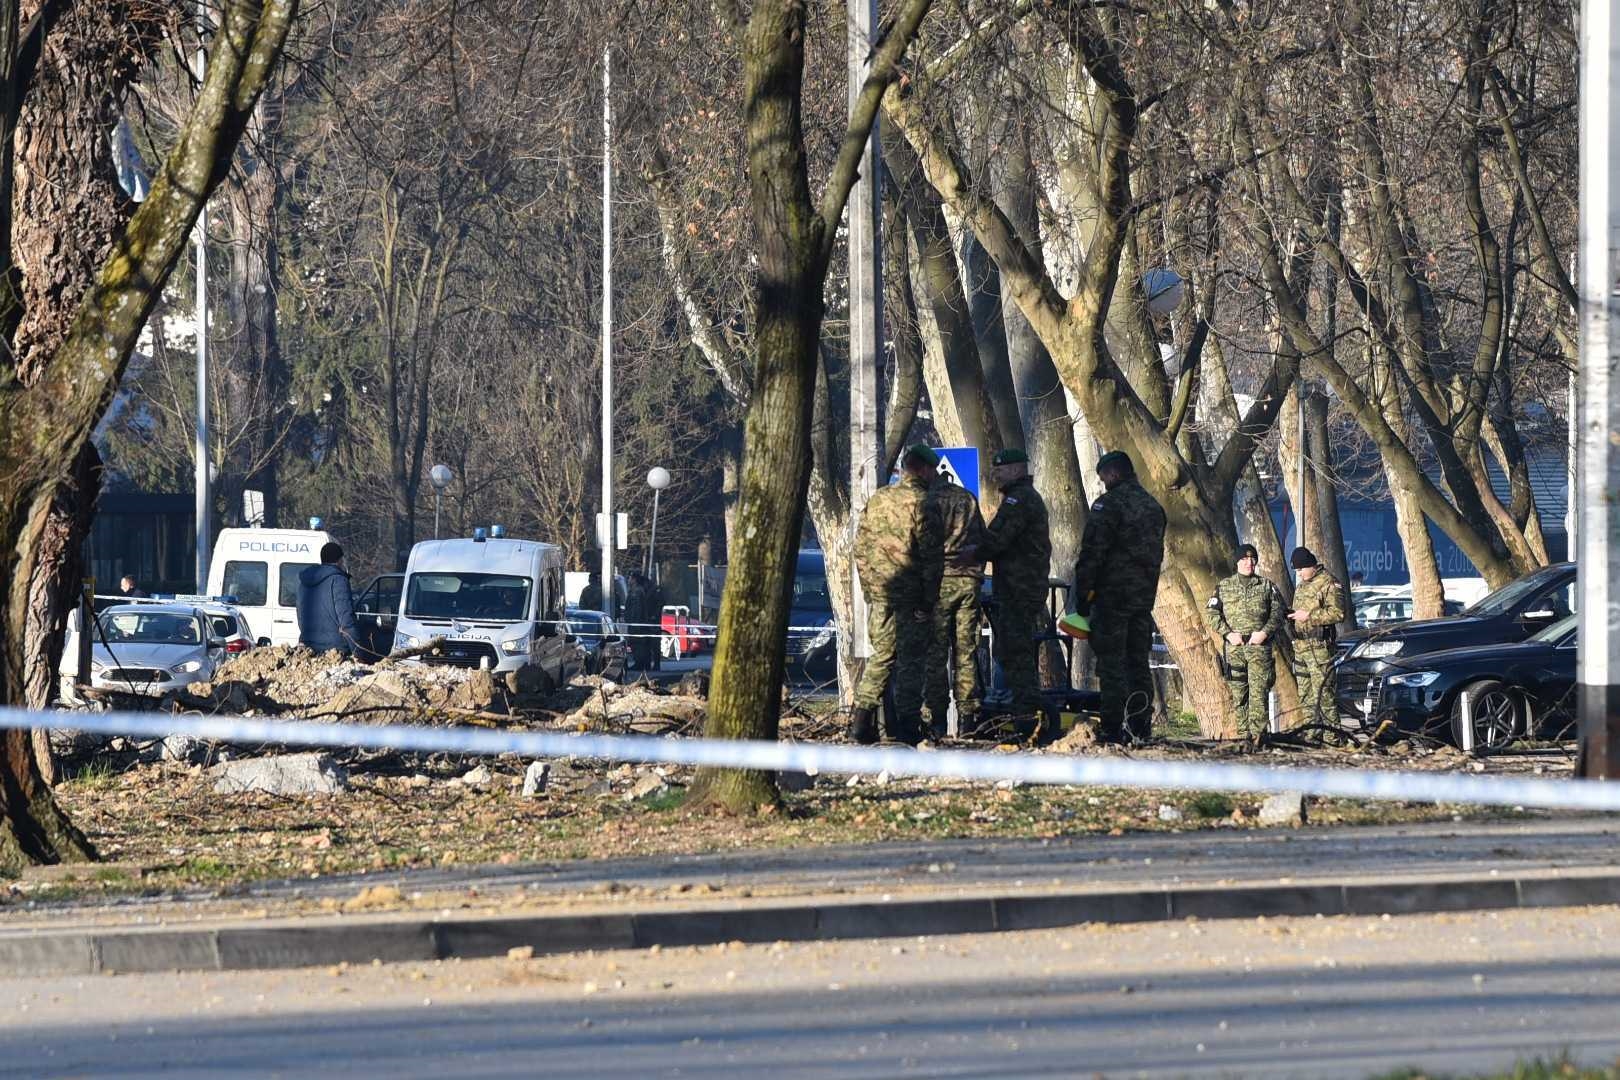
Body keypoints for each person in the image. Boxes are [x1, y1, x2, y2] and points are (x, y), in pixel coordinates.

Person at [850, 444, 945, 745]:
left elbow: (860, 549)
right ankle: (907, 728)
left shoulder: (878, 499)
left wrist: (870, 589)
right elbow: (932, 558)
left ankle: (861, 719)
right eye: (932, 471)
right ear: (924, 469)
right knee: (911, 663)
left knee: (882, 657)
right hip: (911, 598)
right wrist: (929, 602)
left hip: (881, 595)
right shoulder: (924, 502)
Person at [1072, 450, 1166, 743]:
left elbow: (1092, 555)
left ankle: (1112, 728)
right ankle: (1140, 727)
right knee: (1138, 664)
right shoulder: (1154, 507)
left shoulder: (1108, 506)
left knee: (1112, 666)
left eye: (1103, 479)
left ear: (1112, 474)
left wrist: (1082, 599)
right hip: (1142, 600)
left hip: (1111, 600)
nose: (1103, 484)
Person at [966, 447, 1052, 720]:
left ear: (1017, 468)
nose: (996, 474)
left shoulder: (1020, 500)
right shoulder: (1019, 498)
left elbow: (997, 540)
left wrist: (967, 552)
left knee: (1017, 651)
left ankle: (1026, 715)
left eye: (1000, 469)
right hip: (1016, 587)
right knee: (1009, 648)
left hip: (1020, 589)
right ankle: (1018, 707)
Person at [924, 461, 986, 739]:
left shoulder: (926, 500)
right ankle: (967, 720)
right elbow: (982, 541)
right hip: (968, 581)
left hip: (938, 583)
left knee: (936, 653)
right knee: (966, 650)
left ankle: (937, 719)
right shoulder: (966, 499)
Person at [1204, 543, 1285, 742]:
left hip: (1259, 648)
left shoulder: (1267, 586)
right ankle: (1243, 737)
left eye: (1252, 559)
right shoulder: (1224, 586)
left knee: (1259, 694)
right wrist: (1228, 634)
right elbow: (1212, 613)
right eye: (1244, 559)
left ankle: (1258, 738)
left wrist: (1264, 633)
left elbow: (1278, 613)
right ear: (1237, 562)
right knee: (1239, 694)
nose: (1249, 563)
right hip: (1235, 648)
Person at [1287, 546, 1346, 727]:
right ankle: (1312, 734)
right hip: (1301, 647)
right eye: (1296, 571)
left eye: (1301, 569)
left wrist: (1310, 616)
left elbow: (1338, 613)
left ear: (1311, 565)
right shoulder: (1302, 586)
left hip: (1319, 648)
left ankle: (1333, 735)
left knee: (1324, 695)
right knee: (1306, 697)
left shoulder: (1328, 582)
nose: (1300, 574)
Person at [297, 542, 359, 656]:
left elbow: (300, 617)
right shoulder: (338, 581)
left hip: (308, 649)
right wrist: (357, 652)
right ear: (340, 560)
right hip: (335, 651)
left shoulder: (304, 582)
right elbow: (346, 620)